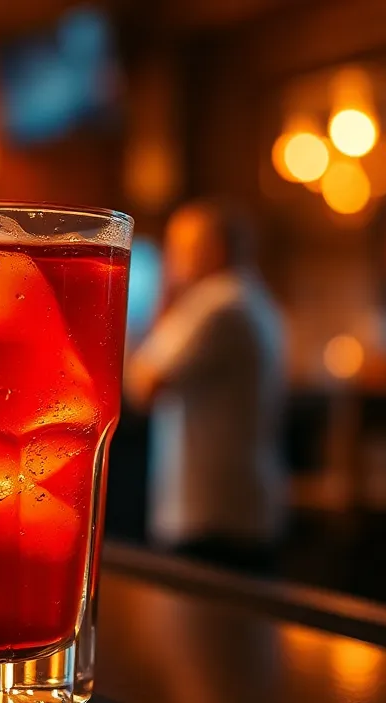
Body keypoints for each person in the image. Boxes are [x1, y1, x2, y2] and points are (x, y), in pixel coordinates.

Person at [126, 200, 286, 561]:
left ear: (214, 248)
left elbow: (144, 384)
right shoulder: (255, 299)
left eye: (181, 246)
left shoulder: (216, 303)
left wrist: (165, 296)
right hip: (244, 502)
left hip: (210, 511)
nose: (172, 258)